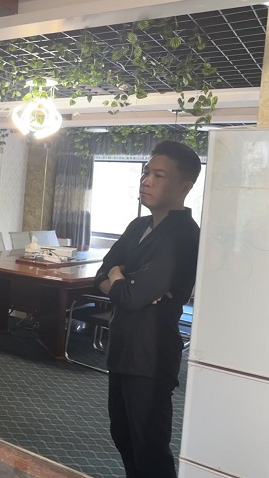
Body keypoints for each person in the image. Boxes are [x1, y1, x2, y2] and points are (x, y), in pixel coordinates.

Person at [94, 140, 201, 478]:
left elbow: (131, 296)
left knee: (150, 447)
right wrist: (124, 282)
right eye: (146, 172)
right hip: (122, 348)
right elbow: (101, 275)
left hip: (152, 356)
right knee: (123, 436)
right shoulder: (137, 226)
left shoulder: (184, 236)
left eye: (159, 175)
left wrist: (122, 281)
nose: (147, 181)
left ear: (185, 186)